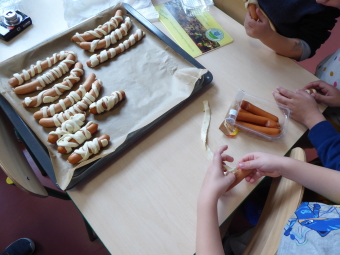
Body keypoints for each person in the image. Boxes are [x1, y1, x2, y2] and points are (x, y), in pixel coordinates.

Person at [196, 145, 340, 255]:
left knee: (232, 243)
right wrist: (282, 165)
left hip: (264, 247)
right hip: (290, 225)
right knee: (239, 238)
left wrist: (206, 200)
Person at [243, 0, 340, 61]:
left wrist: (267, 36)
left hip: (261, 55)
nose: (320, 0)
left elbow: (305, 49)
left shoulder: (326, 11)